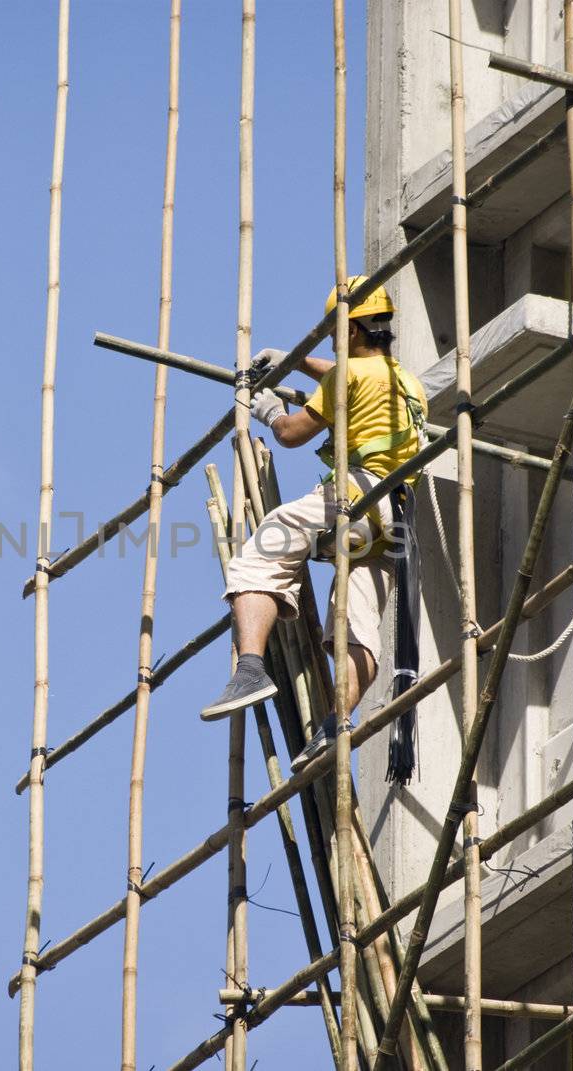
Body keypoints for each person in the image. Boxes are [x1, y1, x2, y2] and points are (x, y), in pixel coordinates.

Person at [200, 276, 425, 770]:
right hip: (397, 514)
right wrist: (296, 359)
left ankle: (251, 668)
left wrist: (272, 411)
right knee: (356, 618)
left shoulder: (347, 379)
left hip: (355, 494)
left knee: (262, 552)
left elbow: (290, 434)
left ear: (350, 330)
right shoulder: (404, 381)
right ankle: (336, 722)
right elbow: (347, 374)